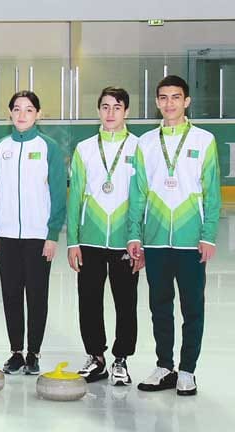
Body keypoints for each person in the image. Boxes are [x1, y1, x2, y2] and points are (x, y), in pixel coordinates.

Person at [128, 75, 220, 396]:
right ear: (157, 102)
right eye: (164, 98)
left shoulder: (204, 140)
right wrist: (134, 234)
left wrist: (208, 235)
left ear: (187, 102)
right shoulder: (145, 143)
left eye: (176, 97)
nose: (170, 103)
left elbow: (211, 194)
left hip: (190, 239)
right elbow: (138, 193)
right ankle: (164, 365)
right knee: (160, 305)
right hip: (154, 241)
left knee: (192, 307)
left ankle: (187, 370)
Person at [0, 90, 67, 375]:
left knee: (37, 295)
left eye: (28, 109)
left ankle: (34, 352)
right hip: (5, 235)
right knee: (11, 294)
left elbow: (57, 192)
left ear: (38, 114)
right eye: (17, 109)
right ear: (10, 113)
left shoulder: (49, 148)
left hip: (38, 237)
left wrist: (52, 234)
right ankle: (16, 351)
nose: (22, 115)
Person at [66, 87, 142, 385]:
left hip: (126, 239)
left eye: (117, 107)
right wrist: (73, 240)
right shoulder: (84, 149)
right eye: (105, 106)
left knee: (125, 301)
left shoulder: (139, 147)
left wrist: (139, 240)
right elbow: (75, 200)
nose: (110, 113)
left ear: (126, 112)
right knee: (89, 300)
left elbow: (142, 198)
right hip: (91, 239)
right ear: (98, 110)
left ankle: (121, 359)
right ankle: (95, 357)